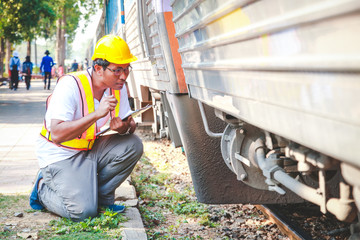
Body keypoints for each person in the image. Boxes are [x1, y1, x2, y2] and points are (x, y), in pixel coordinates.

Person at [29, 35, 143, 222]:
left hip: (89, 148)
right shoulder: (70, 85)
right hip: (60, 155)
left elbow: (129, 125)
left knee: (133, 145)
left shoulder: (118, 85)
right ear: (98, 69)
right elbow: (57, 134)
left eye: (126, 69)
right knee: (82, 212)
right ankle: (42, 188)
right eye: (117, 70)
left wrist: (124, 127)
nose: (123, 76)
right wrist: (96, 115)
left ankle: (103, 199)